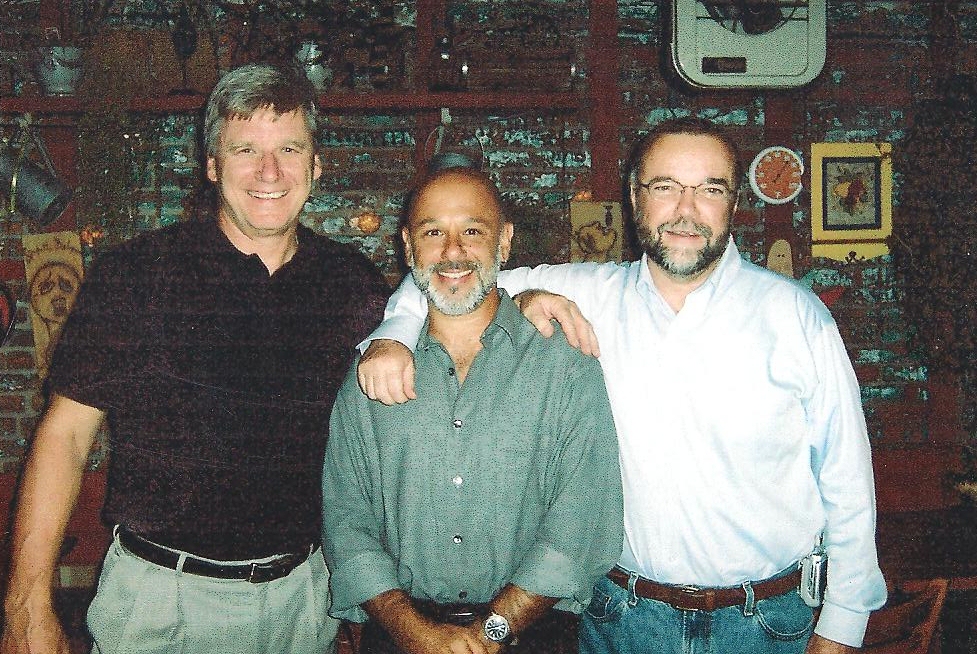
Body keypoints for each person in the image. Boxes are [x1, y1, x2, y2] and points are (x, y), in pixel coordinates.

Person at [356, 117, 888, 654]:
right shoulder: (593, 295)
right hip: (622, 621)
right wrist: (395, 337)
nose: (686, 209)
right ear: (636, 200)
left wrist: (842, 626)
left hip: (768, 624)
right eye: (665, 188)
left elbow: (847, 483)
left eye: (709, 189)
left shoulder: (796, 317)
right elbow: (447, 275)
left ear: (733, 204)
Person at [1, 63, 389, 654]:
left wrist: (536, 296)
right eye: (243, 151)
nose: (269, 172)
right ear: (211, 167)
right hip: (161, 602)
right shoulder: (135, 275)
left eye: (289, 148)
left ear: (316, 167)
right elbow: (66, 437)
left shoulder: (355, 286)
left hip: (303, 602)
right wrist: (26, 603)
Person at [321, 167, 623, 654]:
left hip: (534, 635)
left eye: (472, 231)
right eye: (433, 232)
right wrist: (411, 631)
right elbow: (346, 520)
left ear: (503, 243)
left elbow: (582, 519)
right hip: (400, 637)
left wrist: (493, 632)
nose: (453, 250)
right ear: (408, 245)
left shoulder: (563, 364)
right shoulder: (371, 370)